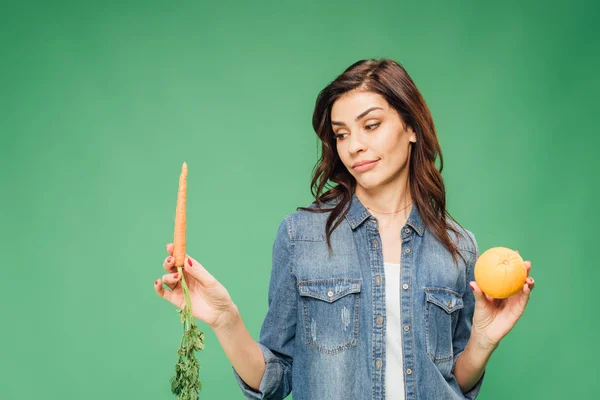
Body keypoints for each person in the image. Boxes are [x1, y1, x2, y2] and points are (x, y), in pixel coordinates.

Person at [154, 58, 536, 400]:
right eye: (341, 134)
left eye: (371, 125)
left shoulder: (458, 246)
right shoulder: (301, 235)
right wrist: (225, 318)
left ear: (412, 128)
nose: (354, 145)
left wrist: (483, 341)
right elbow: (273, 378)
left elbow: (454, 382)